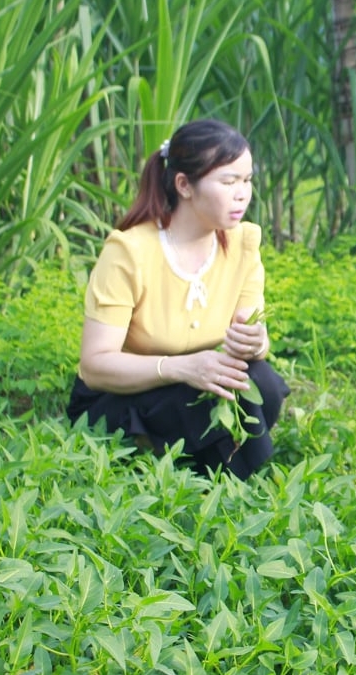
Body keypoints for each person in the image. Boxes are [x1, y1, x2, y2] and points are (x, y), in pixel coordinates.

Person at [66, 119, 290, 480]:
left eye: (247, 181)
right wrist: (180, 367)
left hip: (194, 380)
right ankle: (203, 475)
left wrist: (257, 341)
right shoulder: (130, 252)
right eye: (228, 182)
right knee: (219, 395)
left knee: (260, 381)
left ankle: (208, 472)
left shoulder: (243, 244)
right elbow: (95, 366)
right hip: (124, 396)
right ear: (184, 185)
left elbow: (250, 337)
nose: (242, 194)